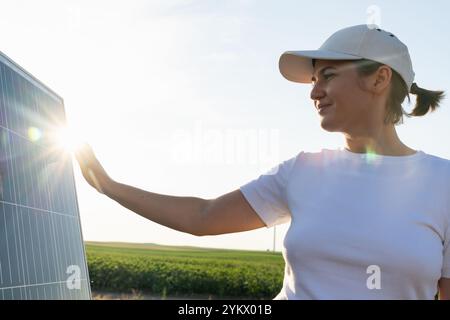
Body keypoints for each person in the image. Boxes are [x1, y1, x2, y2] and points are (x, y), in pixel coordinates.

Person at [75, 24, 450, 300]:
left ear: (380, 78)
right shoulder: (302, 170)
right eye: (313, 80)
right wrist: (109, 187)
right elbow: (203, 217)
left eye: (328, 76)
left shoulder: (443, 182)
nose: (314, 92)